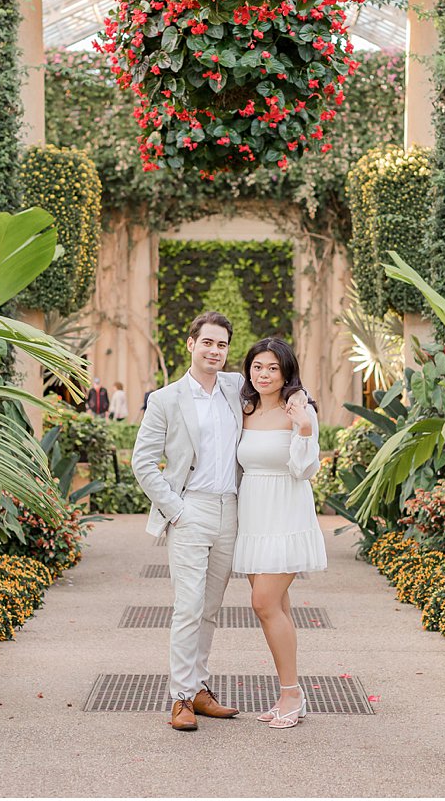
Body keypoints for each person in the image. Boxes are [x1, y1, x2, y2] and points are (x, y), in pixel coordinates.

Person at [130, 311, 244, 732]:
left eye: (222, 345)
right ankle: (180, 698)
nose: (215, 351)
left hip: (230, 509)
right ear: (191, 344)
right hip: (189, 509)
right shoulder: (165, 399)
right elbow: (142, 462)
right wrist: (175, 510)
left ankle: (199, 688)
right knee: (188, 606)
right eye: (208, 343)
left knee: (211, 608)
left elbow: (281, 379)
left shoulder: (235, 388)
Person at [232, 337, 325, 730]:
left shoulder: (299, 410)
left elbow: (305, 470)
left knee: (263, 602)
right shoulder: (244, 408)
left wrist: (303, 428)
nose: (264, 374)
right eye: (257, 367)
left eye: (272, 367)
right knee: (278, 607)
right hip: (254, 515)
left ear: (286, 370)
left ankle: (292, 692)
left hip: (286, 512)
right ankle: (289, 692)